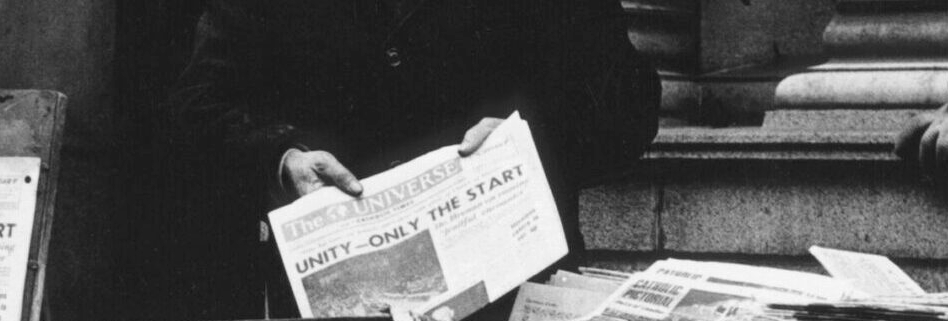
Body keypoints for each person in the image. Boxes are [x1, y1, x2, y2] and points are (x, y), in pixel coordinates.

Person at [171, 0, 659, 251]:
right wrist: (283, 158)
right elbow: (196, 107)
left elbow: (629, 105)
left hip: (512, 311)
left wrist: (529, 139)